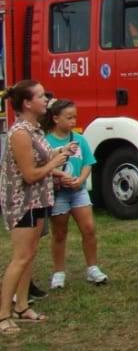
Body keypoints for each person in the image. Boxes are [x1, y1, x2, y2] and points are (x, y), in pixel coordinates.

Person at [0, 80, 74, 335]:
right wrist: (55, 164)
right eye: (41, 96)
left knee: (30, 254)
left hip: (40, 199)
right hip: (22, 202)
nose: (47, 100)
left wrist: (60, 160)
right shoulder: (20, 133)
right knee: (20, 256)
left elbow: (43, 162)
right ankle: (3, 315)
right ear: (27, 103)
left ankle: (22, 305)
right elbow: (30, 174)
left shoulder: (36, 130)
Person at [42, 99, 108, 289]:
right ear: (55, 119)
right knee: (60, 232)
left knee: (89, 229)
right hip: (59, 193)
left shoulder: (79, 139)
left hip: (78, 192)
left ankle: (92, 268)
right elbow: (42, 166)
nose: (73, 121)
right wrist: (59, 176)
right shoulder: (47, 142)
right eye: (68, 117)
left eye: (74, 117)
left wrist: (81, 180)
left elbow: (88, 162)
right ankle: (58, 272)